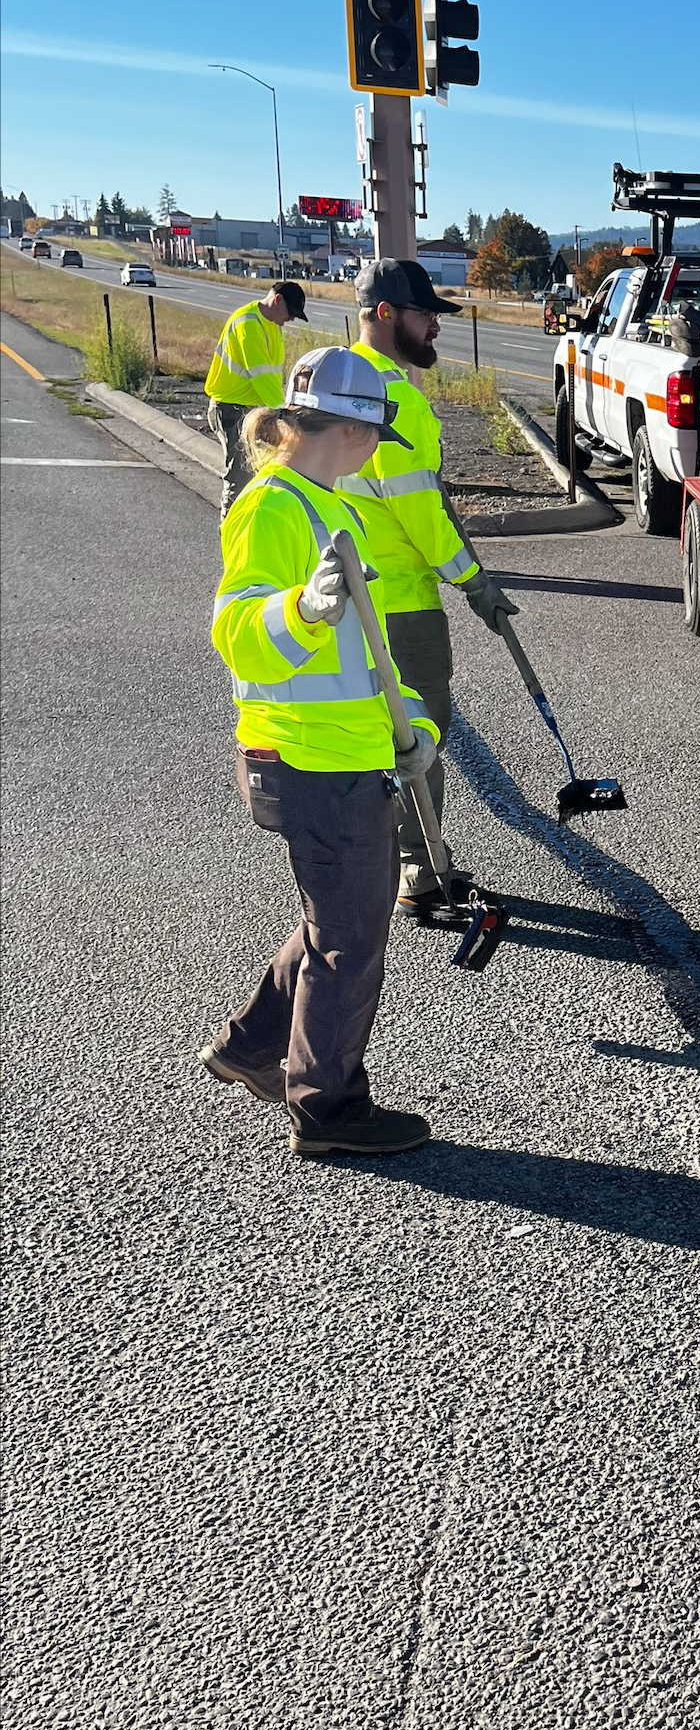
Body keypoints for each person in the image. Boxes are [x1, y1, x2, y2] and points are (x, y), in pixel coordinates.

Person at [201, 346, 441, 1158]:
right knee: (350, 938)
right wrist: (299, 609)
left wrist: (416, 728)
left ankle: (251, 1049)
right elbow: (236, 636)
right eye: (377, 440)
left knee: (330, 924)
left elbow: (365, 658)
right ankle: (327, 1110)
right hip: (310, 764)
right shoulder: (273, 509)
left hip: (335, 756)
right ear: (354, 431)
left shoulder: (321, 506)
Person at [344, 256, 519, 916]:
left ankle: (378, 868)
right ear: (385, 313)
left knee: (368, 736)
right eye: (425, 316)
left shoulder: (334, 380)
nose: (434, 329)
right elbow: (421, 511)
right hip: (400, 603)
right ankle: (420, 875)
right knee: (418, 735)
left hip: (347, 602)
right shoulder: (399, 399)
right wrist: (473, 582)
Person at [205, 280, 308, 514]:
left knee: (261, 471)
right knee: (240, 475)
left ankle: (250, 523)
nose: (290, 319)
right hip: (231, 409)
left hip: (253, 408)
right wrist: (287, 413)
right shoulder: (248, 324)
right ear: (277, 299)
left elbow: (271, 377)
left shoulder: (271, 324)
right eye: (290, 313)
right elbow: (261, 377)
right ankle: (229, 528)